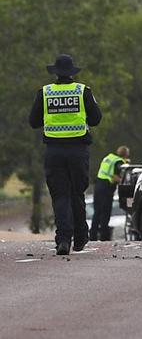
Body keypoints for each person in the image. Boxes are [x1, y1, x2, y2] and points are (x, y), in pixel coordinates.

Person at [29, 54, 102, 255]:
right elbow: (96, 119)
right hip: (78, 150)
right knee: (77, 193)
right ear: (72, 73)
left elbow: (33, 122)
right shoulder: (83, 91)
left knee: (60, 195)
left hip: (54, 151)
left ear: (55, 73)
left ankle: (63, 240)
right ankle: (80, 238)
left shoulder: (44, 93)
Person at [90, 146, 129, 241]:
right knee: (105, 212)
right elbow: (115, 176)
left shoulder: (109, 157)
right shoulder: (119, 162)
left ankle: (92, 236)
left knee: (97, 212)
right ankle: (104, 237)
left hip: (98, 185)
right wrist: (123, 181)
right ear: (125, 154)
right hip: (106, 188)